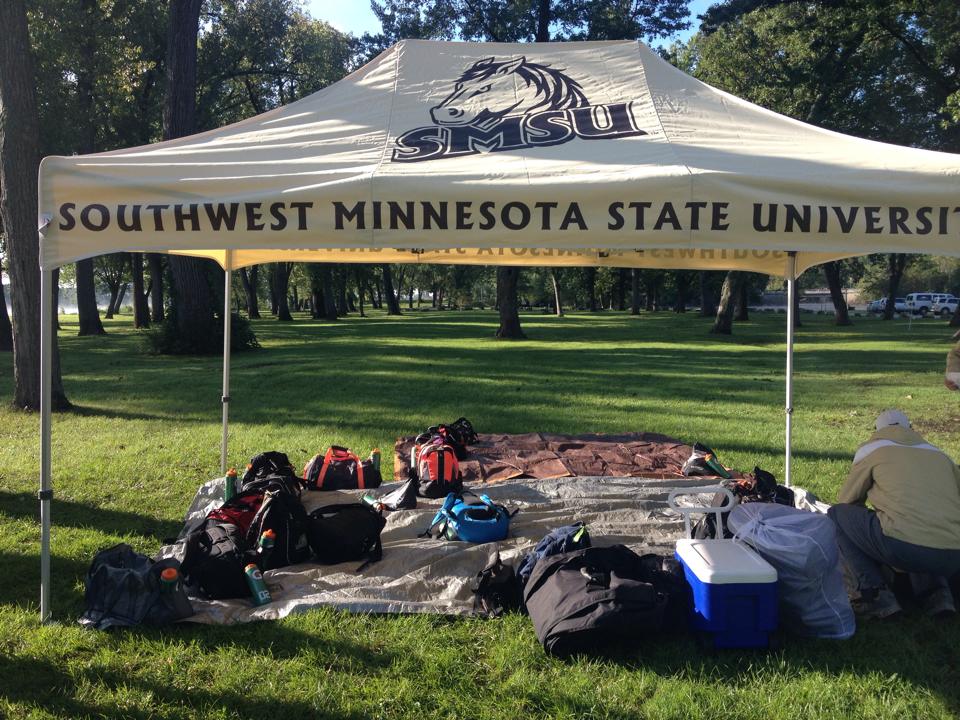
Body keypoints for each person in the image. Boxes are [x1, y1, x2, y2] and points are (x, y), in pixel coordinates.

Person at [828, 409, 960, 619]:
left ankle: (873, 596)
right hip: (954, 554)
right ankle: (938, 595)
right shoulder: (940, 455)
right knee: (922, 521)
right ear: (911, 428)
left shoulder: (872, 449)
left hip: (905, 547)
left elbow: (847, 501)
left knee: (837, 515)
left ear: (876, 430)